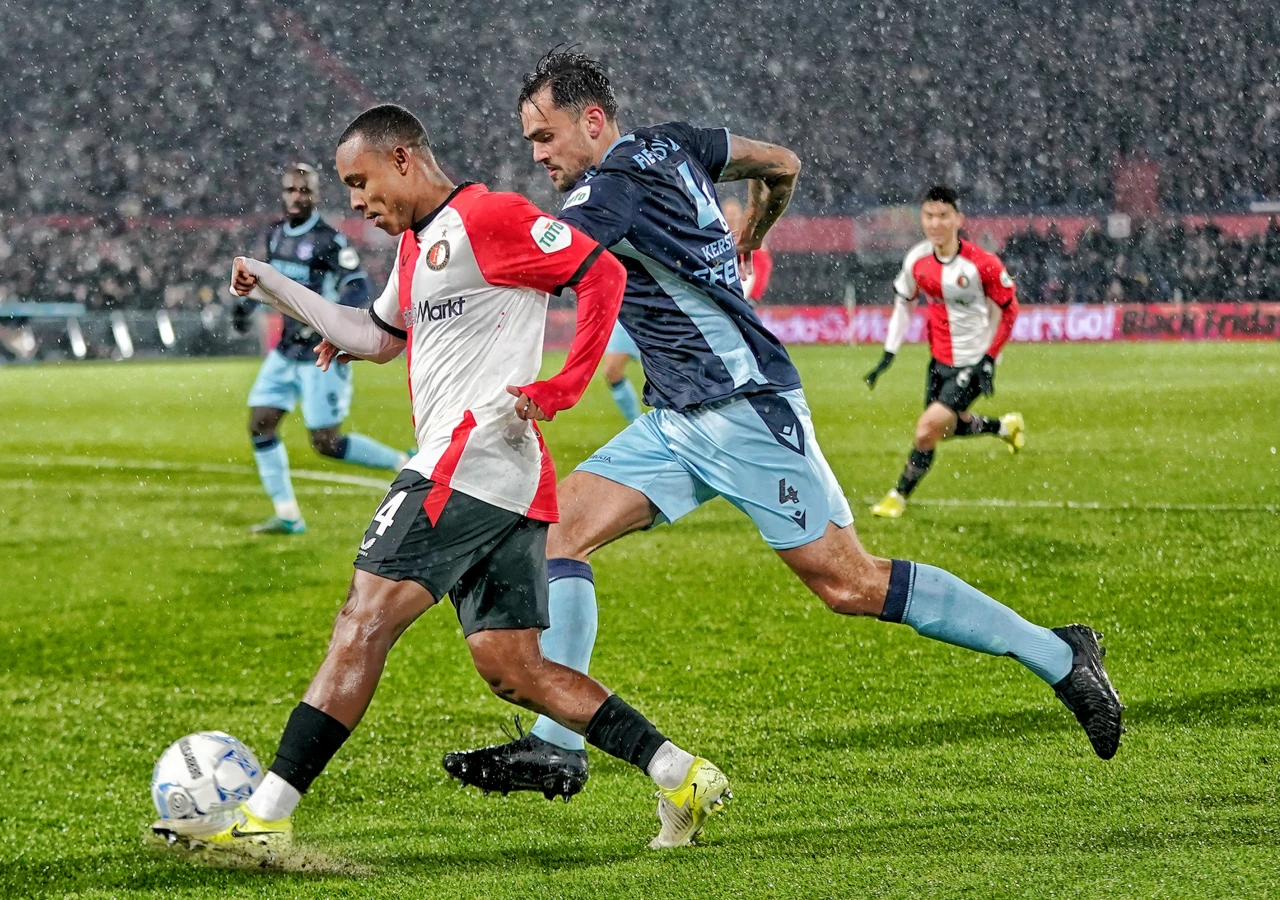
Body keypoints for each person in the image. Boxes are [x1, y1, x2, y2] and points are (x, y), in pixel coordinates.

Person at [442, 50, 1121, 802]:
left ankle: (1061, 655)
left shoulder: (610, 190)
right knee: (557, 538)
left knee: (850, 584)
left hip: (744, 413)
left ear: (593, 120)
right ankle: (559, 746)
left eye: (545, 136)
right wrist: (754, 234)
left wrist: (432, 270)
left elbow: (540, 263)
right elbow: (784, 164)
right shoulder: (679, 142)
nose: (537, 154)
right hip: (676, 420)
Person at [150, 105, 728, 861]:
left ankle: (264, 816)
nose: (356, 202)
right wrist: (271, 285)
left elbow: (601, 271)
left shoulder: (490, 216)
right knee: (513, 668)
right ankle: (679, 773)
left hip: (466, 460)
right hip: (506, 480)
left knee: (363, 622)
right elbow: (376, 335)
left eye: (360, 182)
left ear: (401, 158)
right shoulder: (418, 246)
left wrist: (565, 385)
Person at [237, 163, 410, 535]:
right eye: (291, 190)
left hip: (320, 352)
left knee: (326, 443)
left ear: (316, 193)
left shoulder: (330, 240)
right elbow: (269, 286)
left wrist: (340, 326)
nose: (297, 196)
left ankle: (404, 461)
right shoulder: (274, 235)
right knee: (260, 424)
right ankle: (288, 516)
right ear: (282, 194)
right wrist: (245, 305)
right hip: (285, 352)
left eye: (304, 190)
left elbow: (356, 285)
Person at [865, 185, 1026, 518]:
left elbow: (1010, 311)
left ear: (958, 219)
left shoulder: (982, 264)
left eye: (943, 216)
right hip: (939, 361)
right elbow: (903, 303)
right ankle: (1004, 427)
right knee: (946, 428)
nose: (935, 223)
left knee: (927, 429)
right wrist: (888, 353)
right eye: (929, 216)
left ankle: (897, 495)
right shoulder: (918, 260)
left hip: (974, 360)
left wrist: (990, 358)